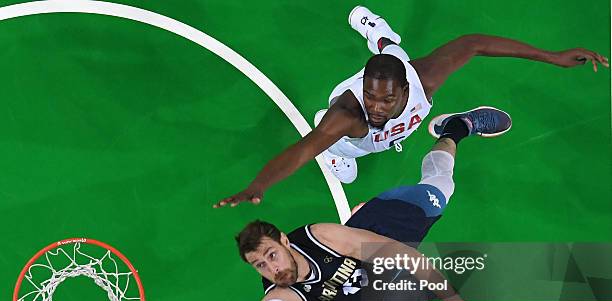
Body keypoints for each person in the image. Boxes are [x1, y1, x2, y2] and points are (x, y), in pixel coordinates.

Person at [214, 5, 608, 208]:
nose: (377, 106)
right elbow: (302, 150)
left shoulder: (424, 78)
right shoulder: (349, 116)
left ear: (406, 89)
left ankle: (377, 32)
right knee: (344, 172)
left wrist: (552, 55)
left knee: (395, 52)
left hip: (402, 77)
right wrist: (259, 184)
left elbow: (475, 42)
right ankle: (378, 42)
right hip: (346, 143)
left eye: (386, 98)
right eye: (371, 95)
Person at [232, 111, 499, 301]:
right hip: (381, 297)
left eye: (271, 255)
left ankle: (456, 127)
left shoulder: (322, 237)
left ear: (284, 241)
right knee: (470, 273)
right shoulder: (281, 297)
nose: (272, 269)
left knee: (441, 187)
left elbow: (407, 257)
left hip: (382, 230)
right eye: (259, 265)